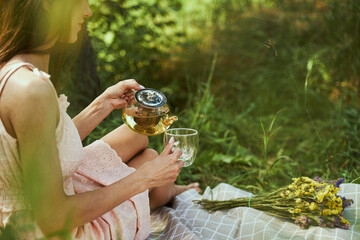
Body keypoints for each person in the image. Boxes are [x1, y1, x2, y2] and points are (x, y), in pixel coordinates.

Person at [0, 0, 200, 239]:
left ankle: (160, 193)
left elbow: (43, 142)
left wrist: (102, 104)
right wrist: (144, 178)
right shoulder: (32, 90)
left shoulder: (13, 70)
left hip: (32, 194)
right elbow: (53, 219)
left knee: (135, 136)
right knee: (148, 160)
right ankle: (159, 195)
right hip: (53, 231)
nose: (88, 11)